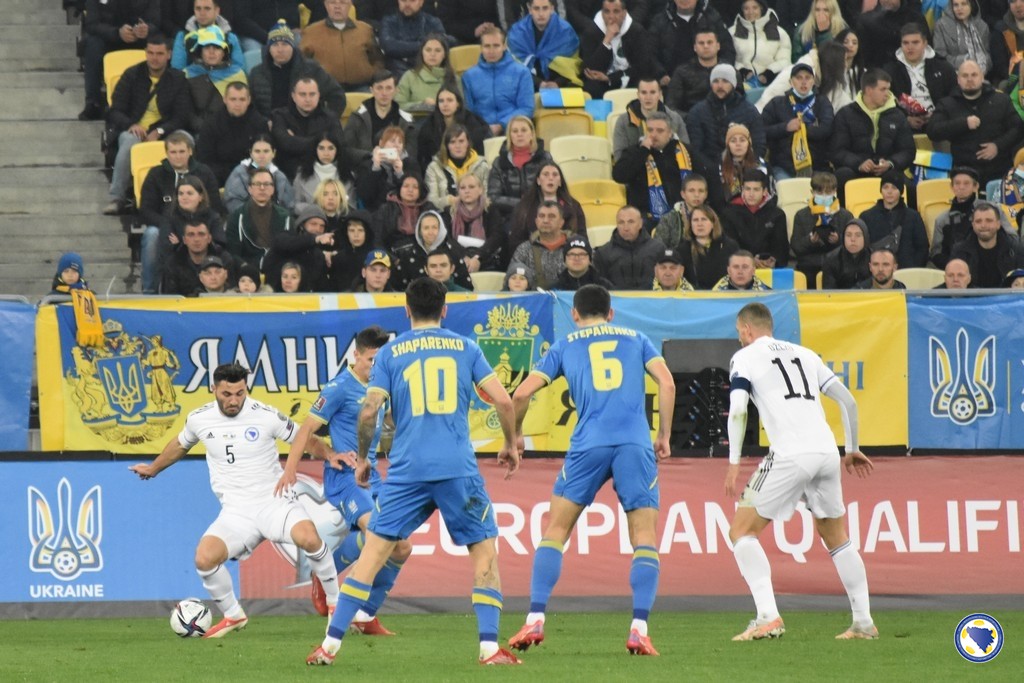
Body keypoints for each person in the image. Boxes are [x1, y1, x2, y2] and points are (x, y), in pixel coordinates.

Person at [307, 277, 522, 666]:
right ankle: (490, 648)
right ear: (445, 309)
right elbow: (505, 402)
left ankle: (329, 645)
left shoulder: (390, 353)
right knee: (484, 552)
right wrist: (510, 442)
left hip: (408, 471)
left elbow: (369, 411)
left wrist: (363, 458)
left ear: (406, 310)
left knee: (373, 554)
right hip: (457, 469)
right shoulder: (466, 347)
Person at [508, 283, 675, 656]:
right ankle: (639, 629)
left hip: (588, 444)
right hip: (634, 444)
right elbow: (667, 382)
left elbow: (520, 393)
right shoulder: (637, 338)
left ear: (575, 314)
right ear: (611, 313)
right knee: (644, 536)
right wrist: (663, 435)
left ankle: (535, 618)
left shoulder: (565, 345)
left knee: (556, 531)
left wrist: (516, 435)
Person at [130, 362, 343, 638]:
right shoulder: (199, 419)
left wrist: (329, 455)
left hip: (274, 502)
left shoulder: (266, 415)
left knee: (310, 539)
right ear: (213, 389)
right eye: (227, 394)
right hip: (236, 513)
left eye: (240, 393)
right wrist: (154, 468)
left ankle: (336, 604)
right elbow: (181, 444)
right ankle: (233, 615)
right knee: (204, 559)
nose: (234, 400)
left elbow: (304, 438)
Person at [725, 302, 876, 641]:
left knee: (741, 531)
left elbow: (738, 409)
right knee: (837, 538)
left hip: (791, 453)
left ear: (746, 329)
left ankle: (767, 616)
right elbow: (848, 401)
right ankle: (864, 622)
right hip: (827, 452)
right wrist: (851, 448)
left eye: (739, 332)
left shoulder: (745, 356)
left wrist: (733, 461)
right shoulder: (806, 354)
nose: (739, 338)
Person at [280, 325, 410, 633]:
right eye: (371, 360)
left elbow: (386, 423)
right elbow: (306, 429)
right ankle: (324, 573)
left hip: (371, 475)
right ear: (356, 355)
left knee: (402, 548)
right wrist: (290, 470)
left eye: (380, 360)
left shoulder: (383, 385)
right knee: (376, 533)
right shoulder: (339, 387)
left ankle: (365, 616)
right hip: (344, 477)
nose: (375, 366)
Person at [103, 34, 191, 215]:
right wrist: (131, 124)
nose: (154, 58)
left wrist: (160, 130)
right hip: (134, 129)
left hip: (166, 129)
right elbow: (115, 110)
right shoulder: (131, 75)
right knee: (130, 143)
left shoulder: (178, 79)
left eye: (159, 53)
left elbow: (181, 116)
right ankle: (117, 197)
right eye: (150, 53)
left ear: (169, 55)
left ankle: (189, 192)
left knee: (187, 140)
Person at [927, 60, 1022, 187]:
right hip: (964, 174)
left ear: (982, 77)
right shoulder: (947, 104)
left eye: (974, 75)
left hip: (1000, 171)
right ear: (958, 79)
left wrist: (997, 146)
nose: (970, 79)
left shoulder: (1001, 100)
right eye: (965, 76)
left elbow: (1018, 128)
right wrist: (963, 123)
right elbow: (933, 131)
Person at [830, 69, 915, 199]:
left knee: (910, 188)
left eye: (888, 89)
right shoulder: (845, 114)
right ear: (869, 90)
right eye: (883, 89)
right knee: (841, 176)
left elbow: (908, 151)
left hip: (887, 171)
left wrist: (890, 163)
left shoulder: (897, 115)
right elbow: (837, 151)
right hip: (855, 169)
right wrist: (859, 164)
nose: (888, 94)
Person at [612, 112, 703, 226]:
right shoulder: (635, 152)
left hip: (684, 212)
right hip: (647, 216)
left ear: (670, 133)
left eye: (660, 131)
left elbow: (705, 177)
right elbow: (619, 176)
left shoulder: (686, 152)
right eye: (650, 130)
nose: (654, 135)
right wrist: (643, 151)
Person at [249, 20, 347, 119]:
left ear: (293, 47)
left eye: (285, 44)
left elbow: (337, 96)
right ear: (268, 48)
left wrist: (322, 122)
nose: (280, 50)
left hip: (305, 126)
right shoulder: (256, 73)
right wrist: (262, 124)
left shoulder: (312, 69)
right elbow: (250, 107)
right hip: (269, 126)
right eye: (275, 45)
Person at [80, 0, 160, 121]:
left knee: (161, 42)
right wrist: (117, 33)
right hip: (108, 37)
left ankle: (159, 100)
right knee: (93, 44)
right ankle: (93, 102)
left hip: (140, 38)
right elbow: (92, 24)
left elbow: (156, 21)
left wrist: (146, 29)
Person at [762, 62, 836, 180]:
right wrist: (785, 127)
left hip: (817, 166)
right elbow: (762, 131)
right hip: (783, 166)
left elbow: (827, 129)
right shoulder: (776, 103)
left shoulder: (822, 103)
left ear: (813, 82)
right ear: (791, 82)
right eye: (799, 78)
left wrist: (804, 129)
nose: (803, 82)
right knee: (785, 187)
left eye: (807, 78)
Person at [687, 64, 767, 171]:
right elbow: (696, 150)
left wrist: (745, 167)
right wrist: (716, 170)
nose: (720, 86)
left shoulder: (750, 111)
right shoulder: (697, 112)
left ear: (733, 84)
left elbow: (759, 144)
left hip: (745, 170)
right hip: (710, 171)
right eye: (716, 81)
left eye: (725, 81)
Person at [883, 24, 957, 133]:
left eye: (915, 42)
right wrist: (906, 118)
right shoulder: (890, 70)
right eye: (905, 43)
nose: (910, 47)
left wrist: (938, 115)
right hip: (903, 126)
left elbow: (954, 97)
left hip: (940, 122)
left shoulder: (943, 67)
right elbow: (885, 101)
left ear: (925, 43)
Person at [462, 26, 535, 136]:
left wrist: (502, 125)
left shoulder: (522, 72)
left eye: (496, 46)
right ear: (481, 48)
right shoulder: (469, 76)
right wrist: (484, 129)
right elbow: (468, 111)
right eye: (487, 46)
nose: (491, 51)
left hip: (513, 130)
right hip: (481, 131)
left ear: (504, 46)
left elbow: (526, 108)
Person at [196, 83, 271, 187]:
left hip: (252, 176)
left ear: (249, 100)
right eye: (233, 99)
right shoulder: (211, 124)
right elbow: (205, 159)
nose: (237, 104)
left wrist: (245, 173)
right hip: (219, 176)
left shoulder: (259, 123)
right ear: (225, 99)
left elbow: (264, 156)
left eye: (242, 99)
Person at [578, 0, 657, 99]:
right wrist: (606, 41)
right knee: (591, 88)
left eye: (616, 11)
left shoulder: (636, 31)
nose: (611, 17)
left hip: (630, 79)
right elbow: (589, 71)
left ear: (624, 13)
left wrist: (610, 78)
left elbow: (643, 68)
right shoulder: (591, 32)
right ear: (602, 13)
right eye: (607, 11)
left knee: (645, 85)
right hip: (601, 83)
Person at [301, 0, 386, 90]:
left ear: (350, 5)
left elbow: (377, 58)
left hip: (362, 86)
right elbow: (301, 62)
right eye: (332, 3)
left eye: (342, 2)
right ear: (326, 5)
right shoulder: (311, 31)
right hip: (325, 88)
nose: (337, 7)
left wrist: (371, 73)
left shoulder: (365, 30)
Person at [271, 77, 345, 179]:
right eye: (302, 94)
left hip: (323, 168)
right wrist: (321, 142)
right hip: (289, 171)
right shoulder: (280, 116)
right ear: (293, 96)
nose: (308, 99)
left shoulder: (330, 117)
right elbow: (285, 143)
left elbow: (339, 143)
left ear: (318, 95)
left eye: (312, 94)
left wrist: (295, 139)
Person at [344, 70, 418, 171]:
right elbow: (347, 149)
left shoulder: (406, 121)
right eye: (379, 88)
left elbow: (412, 152)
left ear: (396, 90)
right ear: (371, 90)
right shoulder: (357, 117)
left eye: (389, 88)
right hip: (366, 170)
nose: (384, 93)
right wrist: (371, 156)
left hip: (397, 170)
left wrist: (396, 158)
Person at [182, 25, 248, 131]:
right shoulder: (187, 74)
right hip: (195, 130)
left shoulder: (237, 74)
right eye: (207, 47)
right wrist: (202, 128)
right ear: (200, 51)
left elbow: (244, 107)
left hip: (230, 128)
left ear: (223, 52)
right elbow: (184, 109)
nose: (211, 52)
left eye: (217, 48)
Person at [487, 115, 553, 221]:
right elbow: (493, 197)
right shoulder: (499, 162)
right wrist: (521, 204)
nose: (519, 134)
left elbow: (552, 189)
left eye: (523, 130)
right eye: (515, 131)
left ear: (532, 134)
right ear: (510, 136)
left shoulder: (545, 158)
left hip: (540, 214)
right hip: (508, 216)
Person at [650, 0, 736, 82]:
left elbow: (727, 50)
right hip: (671, 82)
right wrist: (661, 75)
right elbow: (650, 53)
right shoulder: (660, 21)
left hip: (711, 82)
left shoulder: (712, 18)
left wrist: (720, 74)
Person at [857, 171, 929, 268]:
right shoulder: (866, 217)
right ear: (881, 190)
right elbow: (862, 249)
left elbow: (922, 248)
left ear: (901, 191)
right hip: (876, 272)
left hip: (907, 272)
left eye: (894, 188)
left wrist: (913, 269)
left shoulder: (913, 216)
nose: (889, 191)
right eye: (885, 187)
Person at [508, 162, 587, 249]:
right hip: (533, 253)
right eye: (546, 174)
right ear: (538, 181)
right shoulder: (524, 206)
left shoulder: (573, 206)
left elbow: (582, 238)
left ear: (560, 182)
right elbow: (515, 240)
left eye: (555, 175)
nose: (550, 178)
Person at [225, 168, 293, 268]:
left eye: (266, 184)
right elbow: (233, 253)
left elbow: (290, 249)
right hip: (247, 270)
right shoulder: (236, 217)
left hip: (278, 269)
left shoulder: (285, 217)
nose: (262, 188)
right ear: (250, 189)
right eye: (257, 184)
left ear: (273, 189)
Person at [721, 170, 789, 268]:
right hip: (739, 267)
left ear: (765, 191)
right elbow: (729, 247)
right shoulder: (729, 213)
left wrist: (774, 261)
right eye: (747, 189)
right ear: (742, 189)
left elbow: (781, 249)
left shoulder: (777, 215)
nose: (751, 194)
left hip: (769, 269)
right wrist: (749, 260)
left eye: (756, 189)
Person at [508, 0, 582, 90]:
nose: (541, 14)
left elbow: (573, 65)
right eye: (536, 8)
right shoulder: (517, 32)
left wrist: (558, 83)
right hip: (526, 85)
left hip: (560, 86)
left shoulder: (566, 32)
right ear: (530, 9)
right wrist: (538, 83)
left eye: (545, 8)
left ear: (552, 9)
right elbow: (512, 65)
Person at [391, 210, 473, 291]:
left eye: (434, 227)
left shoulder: (453, 252)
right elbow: (397, 288)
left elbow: (466, 288)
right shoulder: (409, 255)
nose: (430, 232)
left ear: (441, 229)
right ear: (419, 231)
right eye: (426, 228)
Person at [612, 77, 689, 162]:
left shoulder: (675, 119)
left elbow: (686, 151)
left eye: (652, 92)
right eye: (644, 92)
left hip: (669, 167)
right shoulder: (623, 121)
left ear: (660, 94)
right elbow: (619, 158)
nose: (648, 97)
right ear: (638, 95)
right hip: (636, 167)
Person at [950, 200, 1024, 288]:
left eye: (989, 221)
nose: (983, 225)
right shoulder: (959, 251)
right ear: (973, 225)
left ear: (998, 224)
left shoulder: (1017, 250)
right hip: (972, 296)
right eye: (978, 221)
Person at [443, 174, 507, 272]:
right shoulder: (449, 211)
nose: (467, 191)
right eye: (462, 188)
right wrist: (463, 256)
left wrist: (478, 257)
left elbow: (496, 236)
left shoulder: (490, 210)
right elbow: (447, 238)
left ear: (480, 189)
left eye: (471, 187)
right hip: (456, 259)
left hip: (485, 259)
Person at [415, 86, 489, 170]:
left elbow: (478, 155)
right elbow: (423, 158)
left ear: (458, 103)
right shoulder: (429, 125)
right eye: (441, 101)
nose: (445, 104)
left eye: (449, 100)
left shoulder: (473, 124)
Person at [262, 206, 335, 291]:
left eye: (322, 226)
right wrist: (315, 239)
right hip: (274, 296)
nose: (318, 229)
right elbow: (290, 244)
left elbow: (322, 287)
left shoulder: (318, 256)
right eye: (313, 224)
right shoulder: (284, 238)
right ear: (302, 224)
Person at [592, 206, 666, 289]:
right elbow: (599, 286)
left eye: (631, 222)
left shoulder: (658, 249)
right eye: (621, 222)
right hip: (615, 297)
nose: (626, 228)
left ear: (640, 223)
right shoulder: (603, 253)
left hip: (652, 296)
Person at [507, 200, 575, 288]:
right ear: (536, 221)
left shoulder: (577, 248)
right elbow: (511, 283)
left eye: (551, 216)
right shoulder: (524, 250)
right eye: (542, 216)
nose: (546, 220)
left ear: (561, 223)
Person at [729, 0, 793, 95]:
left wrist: (768, 73)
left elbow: (785, 60)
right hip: (741, 85)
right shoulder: (732, 33)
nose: (750, 12)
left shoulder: (780, 33)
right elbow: (728, 59)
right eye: (746, 8)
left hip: (773, 84)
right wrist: (742, 71)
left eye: (755, 8)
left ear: (761, 9)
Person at [355, 125, 423, 212]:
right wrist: (376, 168)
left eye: (400, 142)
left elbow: (418, 192)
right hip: (376, 212)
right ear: (381, 143)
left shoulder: (410, 164)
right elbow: (364, 195)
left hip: (404, 210)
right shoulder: (367, 164)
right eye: (392, 141)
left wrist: (400, 173)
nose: (397, 145)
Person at [224, 134, 294, 214]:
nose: (261, 156)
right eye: (257, 151)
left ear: (273, 153)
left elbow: (289, 206)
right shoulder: (239, 173)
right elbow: (233, 202)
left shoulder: (280, 177)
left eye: (266, 151)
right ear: (251, 153)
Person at [379, 0, 450, 79]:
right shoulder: (389, 22)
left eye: (412, 0)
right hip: (396, 74)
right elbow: (389, 47)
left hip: (429, 73)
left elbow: (443, 43)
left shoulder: (433, 22)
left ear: (421, 2)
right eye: (403, 0)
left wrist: (402, 49)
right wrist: (425, 46)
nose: (407, 4)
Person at [425, 124, 492, 209]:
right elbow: (432, 201)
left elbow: (487, 198)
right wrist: (449, 200)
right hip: (445, 213)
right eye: (452, 142)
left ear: (468, 143)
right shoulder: (434, 167)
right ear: (446, 145)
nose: (457, 146)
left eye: (461, 141)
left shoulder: (482, 166)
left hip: (477, 212)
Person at [162, 220, 236, 295]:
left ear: (209, 238)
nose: (196, 239)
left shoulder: (224, 259)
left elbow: (231, 290)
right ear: (184, 240)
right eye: (191, 235)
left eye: (201, 234)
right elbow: (170, 296)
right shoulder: (174, 262)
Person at [171, 0, 244, 72]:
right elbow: (177, 71)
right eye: (198, 8)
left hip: (226, 79)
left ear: (217, 11)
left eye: (207, 8)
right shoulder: (182, 37)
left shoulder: (230, 38)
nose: (202, 13)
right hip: (191, 79)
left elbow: (240, 69)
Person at [681, 204, 740, 289]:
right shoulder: (683, 249)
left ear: (713, 223)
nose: (700, 224)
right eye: (695, 220)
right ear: (690, 225)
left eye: (704, 219)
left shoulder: (729, 246)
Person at [397, 35, 460, 113]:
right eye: (428, 50)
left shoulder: (454, 78)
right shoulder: (409, 76)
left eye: (437, 50)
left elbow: (462, 107)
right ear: (422, 53)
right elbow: (398, 105)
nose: (432, 54)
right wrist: (422, 105)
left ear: (444, 55)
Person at [857, 0, 928, 70]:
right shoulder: (867, 22)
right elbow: (864, 56)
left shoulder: (915, 19)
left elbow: (927, 49)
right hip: (880, 71)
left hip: (912, 70)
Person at [716, 123, 774, 208]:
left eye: (742, 140)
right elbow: (718, 198)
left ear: (748, 143)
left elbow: (772, 194)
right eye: (733, 141)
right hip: (729, 211)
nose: (738, 144)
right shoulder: (719, 167)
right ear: (728, 145)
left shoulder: (762, 165)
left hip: (760, 210)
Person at [666, 29, 721, 114]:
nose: (706, 46)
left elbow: (739, 105)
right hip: (690, 119)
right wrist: (692, 118)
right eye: (701, 43)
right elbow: (671, 107)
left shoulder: (730, 72)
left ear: (718, 46)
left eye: (709, 42)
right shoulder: (682, 72)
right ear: (695, 47)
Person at [293, 132, 346, 217]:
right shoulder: (302, 175)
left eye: (331, 148)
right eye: (321, 148)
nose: (326, 153)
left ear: (337, 150)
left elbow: (351, 208)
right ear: (315, 149)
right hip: (310, 220)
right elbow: (295, 205)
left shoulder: (347, 176)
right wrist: (317, 211)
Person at [932, 0, 992, 75]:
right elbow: (940, 57)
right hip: (952, 74)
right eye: (956, 5)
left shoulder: (982, 26)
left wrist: (983, 64)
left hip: (981, 74)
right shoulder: (942, 25)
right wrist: (964, 60)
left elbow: (987, 54)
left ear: (972, 5)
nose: (959, 8)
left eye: (964, 4)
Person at [651, 174, 710, 250]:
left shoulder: (712, 218)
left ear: (706, 194)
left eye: (701, 191)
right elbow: (658, 250)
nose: (696, 195)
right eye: (691, 191)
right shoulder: (669, 219)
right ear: (683, 194)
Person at [820, 217, 870, 289]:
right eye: (848, 235)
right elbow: (829, 292)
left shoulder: (874, 257)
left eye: (858, 235)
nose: (853, 239)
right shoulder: (830, 259)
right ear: (843, 238)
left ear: (865, 237)